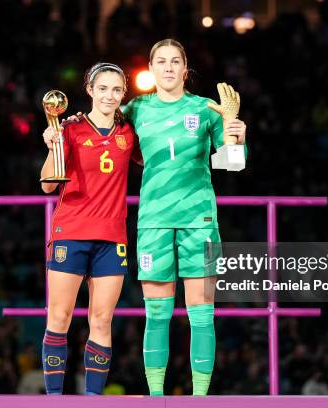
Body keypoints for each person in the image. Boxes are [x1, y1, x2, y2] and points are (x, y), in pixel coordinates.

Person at [123, 38, 247, 396]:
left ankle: (199, 399)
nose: (168, 67)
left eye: (175, 61)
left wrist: (233, 130)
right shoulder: (135, 109)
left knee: (202, 314)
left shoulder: (207, 109)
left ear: (185, 68)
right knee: (156, 314)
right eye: (161, 61)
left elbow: (232, 164)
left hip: (199, 221)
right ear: (151, 68)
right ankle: (157, 398)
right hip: (154, 222)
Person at [39, 62, 141, 395]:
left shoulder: (129, 132)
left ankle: (93, 400)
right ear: (90, 90)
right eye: (103, 89)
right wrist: (54, 143)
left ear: (123, 93)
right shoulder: (70, 128)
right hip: (71, 232)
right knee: (60, 316)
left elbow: (157, 158)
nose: (109, 96)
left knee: (101, 321)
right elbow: (46, 186)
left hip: (112, 239)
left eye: (116, 90)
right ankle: (54, 398)